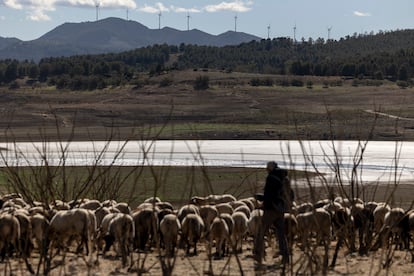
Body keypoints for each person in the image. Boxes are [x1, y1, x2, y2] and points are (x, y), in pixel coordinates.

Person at [253, 161, 292, 268]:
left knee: (261, 231)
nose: (266, 169)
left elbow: (269, 194)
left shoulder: (271, 178)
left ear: (271, 168)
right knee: (281, 234)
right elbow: (288, 193)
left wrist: (261, 199)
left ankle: (258, 254)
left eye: (267, 168)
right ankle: (285, 256)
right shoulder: (285, 178)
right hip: (281, 209)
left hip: (271, 209)